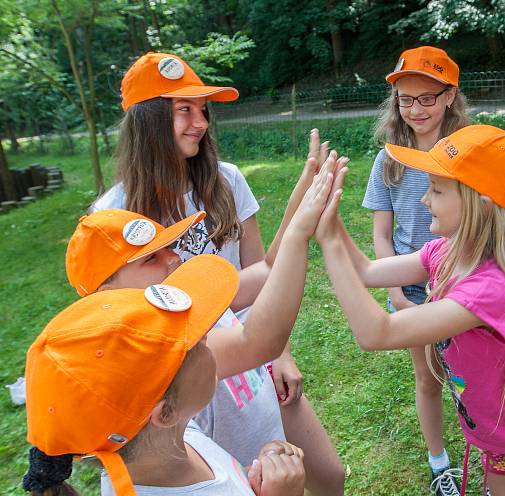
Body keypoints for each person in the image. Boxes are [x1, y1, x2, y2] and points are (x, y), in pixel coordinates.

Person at [91, 52, 344, 493]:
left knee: (328, 476)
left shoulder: (225, 180)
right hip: (190, 387)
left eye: (203, 109)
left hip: (252, 357)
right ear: (146, 122)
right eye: (183, 110)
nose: (201, 122)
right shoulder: (114, 218)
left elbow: (260, 269)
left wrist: (278, 353)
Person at [317, 125, 505, 495]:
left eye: (437, 190)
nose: (423, 200)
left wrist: (328, 242)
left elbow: (376, 332)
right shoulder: (445, 253)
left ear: (482, 200)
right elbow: (366, 272)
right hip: (495, 436)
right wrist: (329, 219)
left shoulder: (492, 288)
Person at [22, 255, 305, 496]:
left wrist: (252, 478)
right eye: (195, 346)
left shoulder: (175, 441)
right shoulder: (168, 445)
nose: (208, 336)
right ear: (164, 413)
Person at [362, 45, 469, 496]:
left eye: (427, 97)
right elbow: (382, 236)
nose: (416, 109)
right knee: (427, 376)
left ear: (449, 96)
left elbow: (490, 225)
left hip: (466, 284)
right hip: (414, 289)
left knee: (471, 377)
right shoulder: (389, 159)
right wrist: (400, 294)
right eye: (406, 99)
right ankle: (439, 461)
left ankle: (484, 447)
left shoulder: (470, 152)